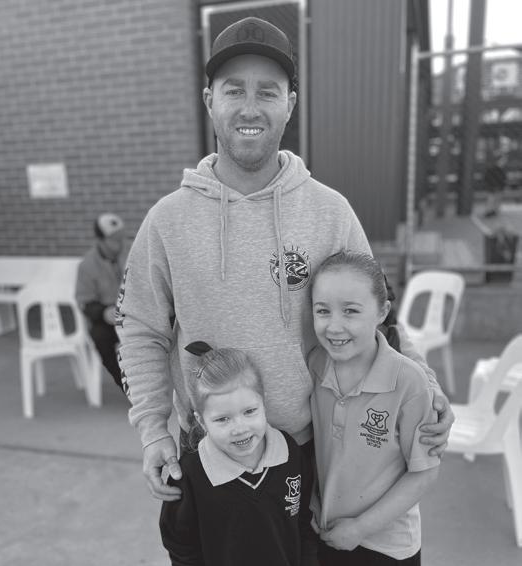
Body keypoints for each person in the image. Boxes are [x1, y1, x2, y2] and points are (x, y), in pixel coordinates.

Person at [116, 16, 453, 501]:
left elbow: (379, 317)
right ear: (209, 101)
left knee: (319, 555)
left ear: (290, 104)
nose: (249, 107)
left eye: (268, 92)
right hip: (209, 452)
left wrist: (427, 385)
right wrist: (153, 429)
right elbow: (140, 328)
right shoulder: (167, 220)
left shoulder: (330, 212)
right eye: (234, 90)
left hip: (315, 447)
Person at [308, 250, 440, 566]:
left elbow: (424, 473)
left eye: (351, 311)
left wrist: (360, 528)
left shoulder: (409, 381)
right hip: (327, 536)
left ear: (382, 312)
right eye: (322, 311)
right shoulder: (314, 365)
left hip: (386, 549)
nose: (334, 326)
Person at [159, 343, 320, 566]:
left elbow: (302, 517)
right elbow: (181, 547)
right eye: (223, 419)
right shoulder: (190, 475)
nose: (240, 428)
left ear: (263, 401)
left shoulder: (289, 452)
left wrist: (308, 560)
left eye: (249, 412)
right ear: (201, 421)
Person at [76, 212, 127, 388]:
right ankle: (125, 384)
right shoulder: (87, 265)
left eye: (121, 237)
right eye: (114, 239)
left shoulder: (130, 254)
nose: (120, 243)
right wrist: (104, 312)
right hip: (107, 318)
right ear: (100, 240)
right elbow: (84, 303)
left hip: (133, 314)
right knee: (100, 338)